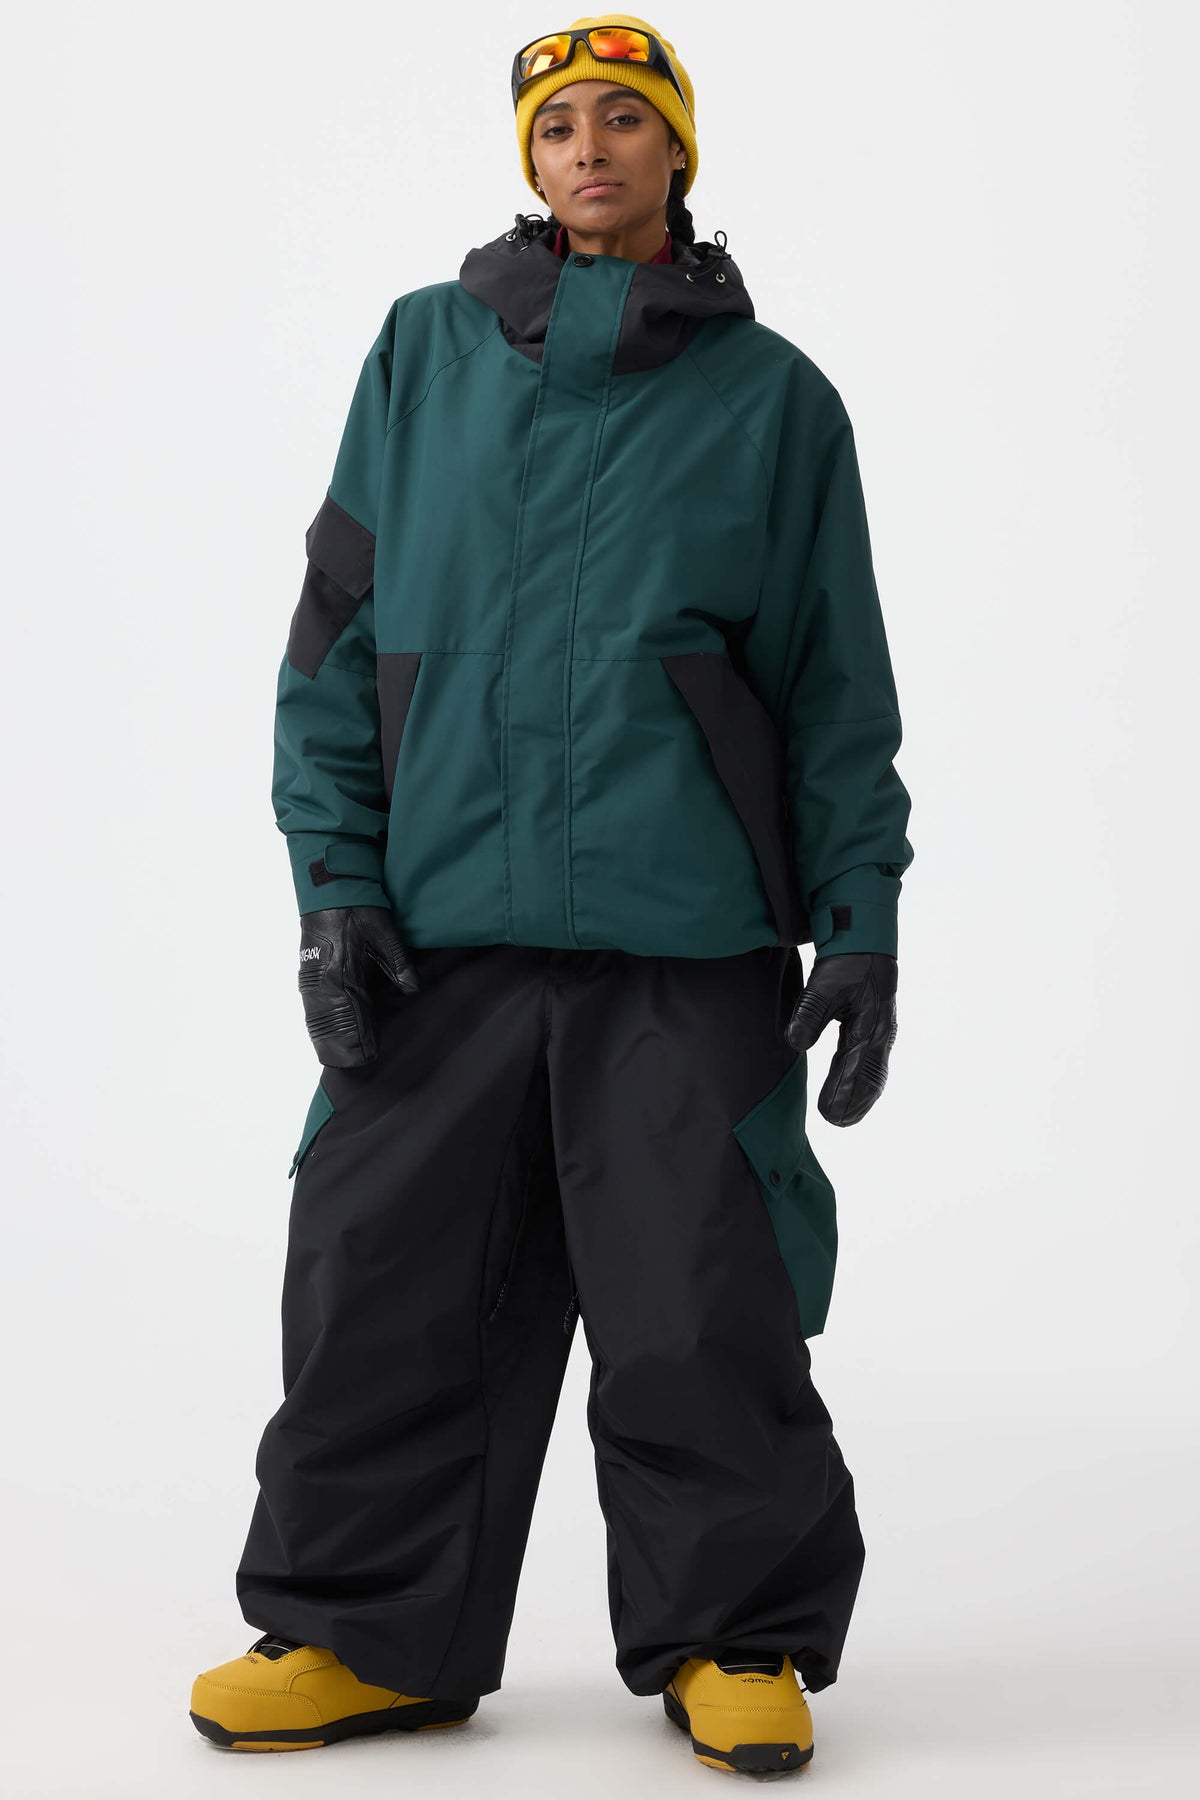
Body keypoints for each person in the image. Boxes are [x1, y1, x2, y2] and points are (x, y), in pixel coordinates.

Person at [189, 14, 913, 1778]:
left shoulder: (776, 402)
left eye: (624, 121)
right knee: (378, 1280)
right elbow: (336, 642)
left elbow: (834, 691)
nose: (589, 148)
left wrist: (861, 923)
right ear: (529, 158)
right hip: (439, 931)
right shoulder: (421, 355)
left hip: (685, 937)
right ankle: (361, 1631)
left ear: (677, 151)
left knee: (700, 1297)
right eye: (559, 124)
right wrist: (333, 889)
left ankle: (735, 1636)